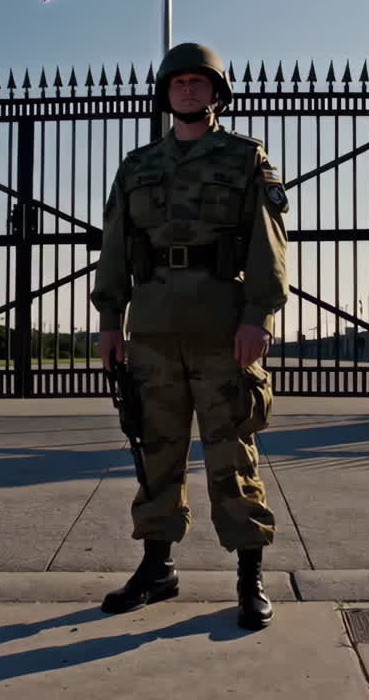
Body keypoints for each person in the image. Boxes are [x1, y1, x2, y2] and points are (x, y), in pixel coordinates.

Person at [90, 42, 290, 631]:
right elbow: (114, 247)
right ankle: (157, 567)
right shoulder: (137, 165)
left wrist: (259, 316)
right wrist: (108, 320)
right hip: (151, 328)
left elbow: (267, 241)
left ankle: (249, 573)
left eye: (198, 82)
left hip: (222, 327)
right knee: (157, 454)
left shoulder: (245, 158)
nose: (187, 90)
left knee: (232, 453)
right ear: (165, 93)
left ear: (216, 91)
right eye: (177, 83)